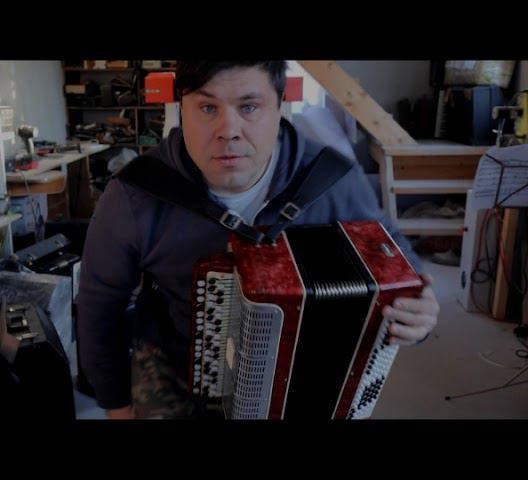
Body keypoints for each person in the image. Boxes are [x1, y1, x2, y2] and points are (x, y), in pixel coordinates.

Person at [77, 61, 440, 419]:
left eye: (249, 107)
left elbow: (401, 272)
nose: (228, 131)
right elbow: (100, 305)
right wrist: (116, 404)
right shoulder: (133, 195)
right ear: (181, 108)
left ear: (279, 107)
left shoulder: (333, 180)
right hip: (176, 359)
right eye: (207, 107)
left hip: (301, 370)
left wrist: (418, 315)